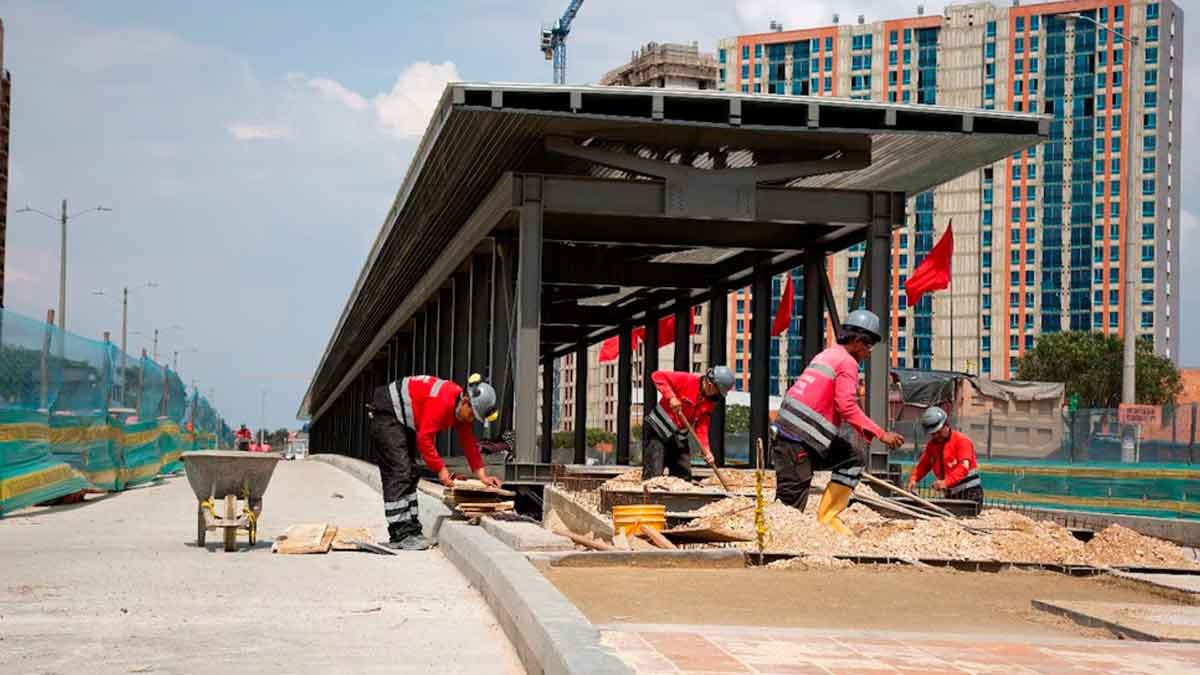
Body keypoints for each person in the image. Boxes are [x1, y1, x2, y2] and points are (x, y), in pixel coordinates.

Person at [771, 309, 905, 535]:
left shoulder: (826, 354)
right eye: (868, 345)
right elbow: (847, 406)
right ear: (857, 340)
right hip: (799, 438)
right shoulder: (847, 362)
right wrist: (881, 434)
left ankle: (826, 518)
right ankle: (780, 537)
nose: (868, 352)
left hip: (797, 433)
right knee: (791, 500)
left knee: (852, 457)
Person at [369, 373, 501, 550]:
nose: (470, 420)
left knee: (411, 472)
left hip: (399, 418)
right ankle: (400, 534)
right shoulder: (443, 401)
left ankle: (412, 530)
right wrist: (440, 469)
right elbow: (424, 439)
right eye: (472, 415)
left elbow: (469, 443)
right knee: (399, 471)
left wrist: (482, 475)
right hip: (387, 413)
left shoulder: (460, 407)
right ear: (465, 402)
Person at [642, 365, 735, 480]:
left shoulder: (708, 403)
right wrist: (671, 397)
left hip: (679, 438)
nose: (718, 396)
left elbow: (702, 427)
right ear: (711, 385)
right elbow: (657, 376)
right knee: (653, 473)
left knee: (684, 475)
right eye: (718, 392)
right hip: (658, 431)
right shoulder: (687, 380)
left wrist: (706, 450)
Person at [906, 406, 984, 509]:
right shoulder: (932, 446)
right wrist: (914, 479)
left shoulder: (962, 441)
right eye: (932, 434)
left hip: (970, 494)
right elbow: (923, 466)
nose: (936, 436)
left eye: (938, 432)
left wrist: (946, 482)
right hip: (951, 494)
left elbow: (963, 467)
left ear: (946, 425)